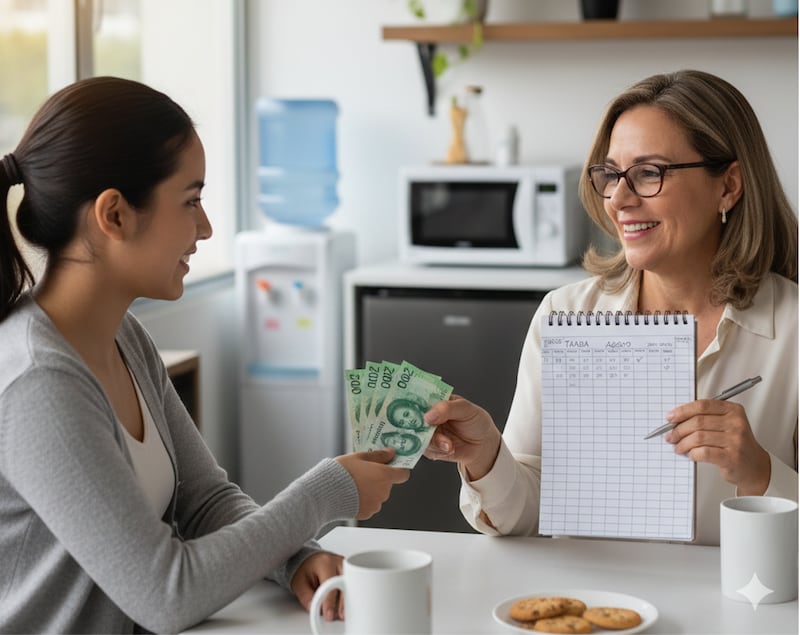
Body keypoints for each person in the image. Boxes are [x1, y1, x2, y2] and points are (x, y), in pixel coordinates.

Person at [0, 76, 410, 633]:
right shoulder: (39, 383)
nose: (207, 227)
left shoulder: (125, 338)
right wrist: (325, 491)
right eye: (191, 200)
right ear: (114, 215)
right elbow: (167, 594)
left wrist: (294, 556)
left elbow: (205, 503)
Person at [423, 69, 798, 547]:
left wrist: (759, 473)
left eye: (648, 173)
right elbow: (526, 515)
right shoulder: (563, 316)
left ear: (728, 186)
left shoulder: (792, 329)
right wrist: (486, 458)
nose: (619, 199)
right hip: (595, 609)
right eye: (611, 174)